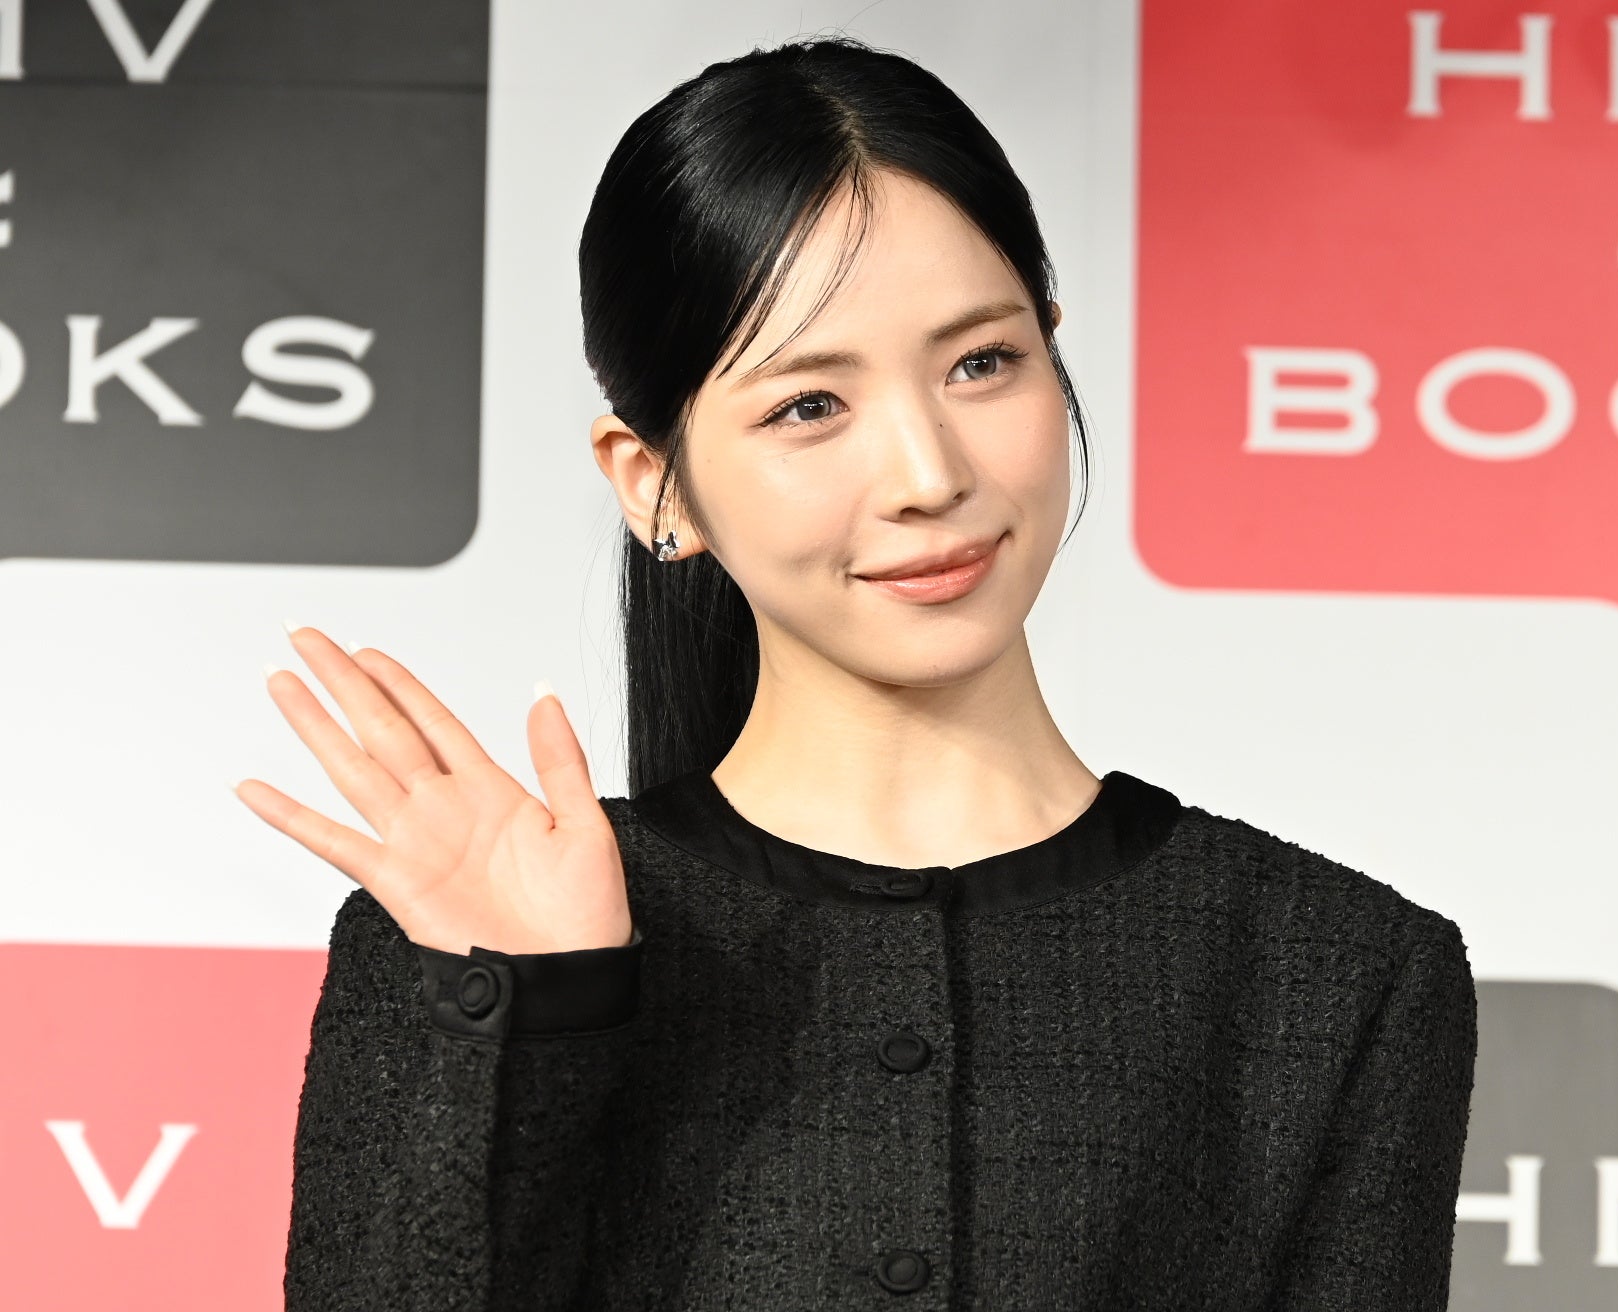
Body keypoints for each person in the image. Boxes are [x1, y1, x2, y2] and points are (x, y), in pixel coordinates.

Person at [233, 34, 1477, 1312]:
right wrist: (541, 1016)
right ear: (656, 483)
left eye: (982, 362)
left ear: (1053, 354)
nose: (930, 474)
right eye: (810, 406)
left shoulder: (1337, 971)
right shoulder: (470, 948)